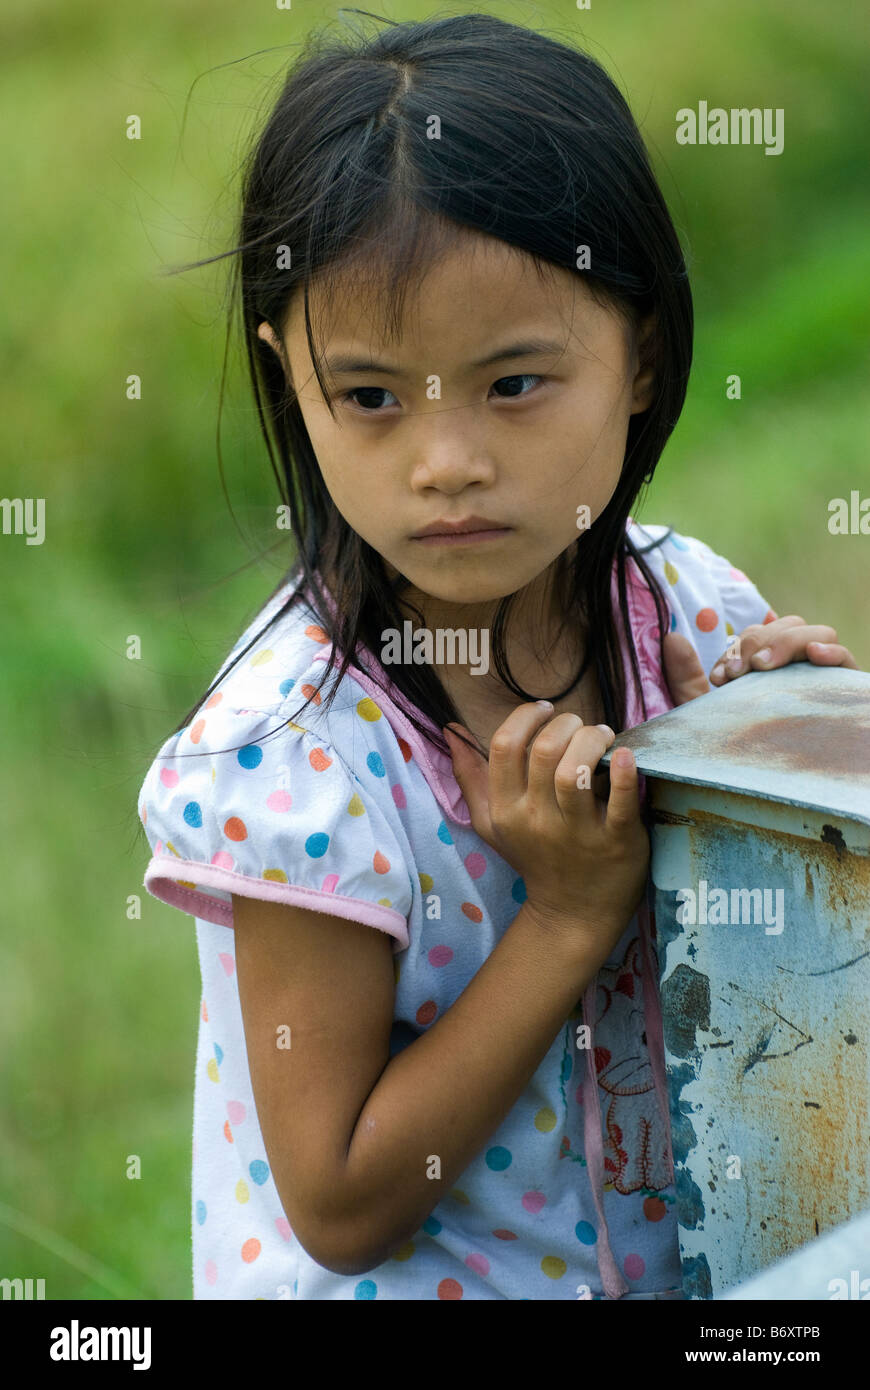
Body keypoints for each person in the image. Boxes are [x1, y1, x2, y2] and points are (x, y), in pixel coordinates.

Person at [137, 11, 858, 1300]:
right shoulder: (299, 755)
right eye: (369, 396)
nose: (445, 462)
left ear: (636, 351)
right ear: (289, 380)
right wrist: (566, 916)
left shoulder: (683, 611)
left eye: (513, 382)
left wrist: (793, 749)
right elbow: (345, 1205)